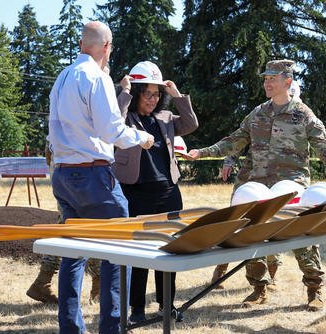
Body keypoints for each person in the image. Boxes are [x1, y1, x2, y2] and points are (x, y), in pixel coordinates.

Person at [188, 59, 326, 311]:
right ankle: (259, 288)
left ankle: (314, 289)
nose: (266, 82)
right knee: (249, 236)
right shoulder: (258, 113)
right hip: (257, 186)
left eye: (272, 78)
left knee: (300, 235)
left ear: (287, 81)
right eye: (265, 78)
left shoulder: (303, 114)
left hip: (291, 186)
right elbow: (234, 140)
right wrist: (202, 152)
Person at [48, 21, 154, 334]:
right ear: (106, 47)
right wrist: (142, 138)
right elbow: (112, 131)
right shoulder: (96, 77)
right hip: (93, 175)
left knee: (73, 253)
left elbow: (54, 130)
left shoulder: (63, 76)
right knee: (120, 252)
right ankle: (113, 327)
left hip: (64, 174)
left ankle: (70, 328)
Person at [112, 61, 198, 323]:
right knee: (139, 254)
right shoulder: (126, 118)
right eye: (147, 93)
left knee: (169, 250)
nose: (152, 99)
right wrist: (124, 92)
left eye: (156, 94)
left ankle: (166, 305)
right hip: (135, 192)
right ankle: (136, 310)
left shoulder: (166, 119)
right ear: (137, 93)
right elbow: (112, 119)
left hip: (168, 192)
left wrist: (177, 95)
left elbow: (191, 123)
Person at [210, 80, 302, 290]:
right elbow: (240, 139)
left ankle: (271, 274)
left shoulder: (298, 115)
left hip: (279, 182)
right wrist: (229, 161)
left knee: (272, 224)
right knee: (234, 223)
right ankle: (219, 271)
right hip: (249, 181)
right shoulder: (262, 114)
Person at [26, 142, 101, 304]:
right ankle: (98, 283)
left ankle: (42, 281)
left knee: (73, 224)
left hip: (67, 160)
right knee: (81, 224)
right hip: (75, 162)